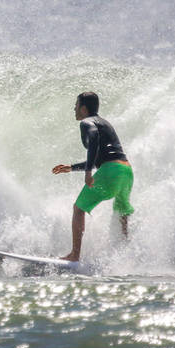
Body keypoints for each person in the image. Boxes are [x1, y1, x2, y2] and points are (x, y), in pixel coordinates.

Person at [52, 91, 134, 261]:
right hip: (126, 171)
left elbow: (94, 140)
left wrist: (88, 172)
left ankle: (75, 255)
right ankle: (126, 256)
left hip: (111, 170)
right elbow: (101, 159)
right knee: (122, 213)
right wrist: (72, 168)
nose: (73, 109)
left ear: (83, 108)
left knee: (79, 208)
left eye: (76, 105)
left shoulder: (86, 122)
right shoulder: (105, 123)